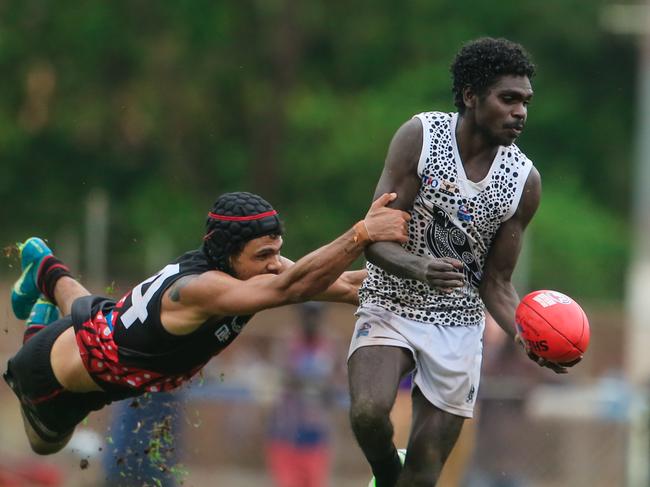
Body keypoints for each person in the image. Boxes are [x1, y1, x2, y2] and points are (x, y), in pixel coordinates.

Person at [4, 190, 409, 456]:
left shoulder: (247, 269)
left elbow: (345, 286)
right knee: (46, 445)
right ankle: (40, 306)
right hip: (49, 375)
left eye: (277, 253)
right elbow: (291, 288)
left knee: (88, 315)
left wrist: (428, 275)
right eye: (264, 255)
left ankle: (45, 268)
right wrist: (361, 233)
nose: (274, 264)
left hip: (104, 337)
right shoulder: (204, 289)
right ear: (227, 252)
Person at [346, 37, 580, 487]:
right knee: (368, 414)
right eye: (508, 99)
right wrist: (419, 268)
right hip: (390, 300)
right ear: (471, 96)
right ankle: (384, 477)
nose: (520, 112)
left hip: (457, 322)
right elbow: (372, 240)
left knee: (426, 468)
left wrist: (525, 334)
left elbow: (497, 282)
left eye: (526, 102)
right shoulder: (421, 137)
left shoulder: (523, 181)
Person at [265, 302, 342, 487]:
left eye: (315, 315)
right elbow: (280, 377)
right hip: (286, 432)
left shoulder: (330, 345)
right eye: (307, 314)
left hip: (316, 433)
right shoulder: (287, 343)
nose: (311, 320)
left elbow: (336, 384)